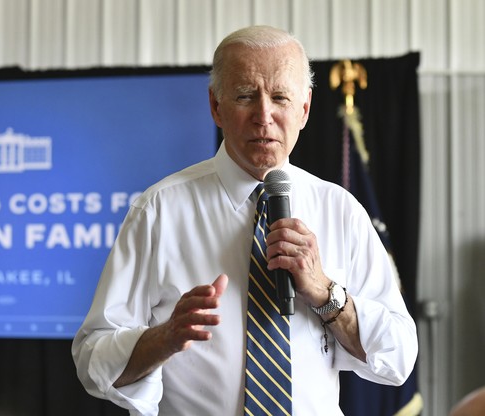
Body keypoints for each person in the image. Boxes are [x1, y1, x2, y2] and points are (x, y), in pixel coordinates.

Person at [72, 25, 418, 415]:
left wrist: (325, 294)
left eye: (280, 97)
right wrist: (164, 338)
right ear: (216, 107)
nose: (264, 116)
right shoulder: (159, 210)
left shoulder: (340, 210)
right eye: (245, 96)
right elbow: (92, 359)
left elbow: (399, 357)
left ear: (304, 109)